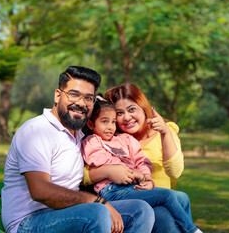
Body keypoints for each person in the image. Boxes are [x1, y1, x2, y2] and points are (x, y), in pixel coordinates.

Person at [1, 66, 154, 233]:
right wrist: (98, 201)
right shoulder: (36, 131)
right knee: (97, 212)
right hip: (28, 221)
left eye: (88, 98)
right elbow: (40, 191)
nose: (81, 103)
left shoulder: (79, 136)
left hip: (68, 213)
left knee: (141, 210)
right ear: (58, 96)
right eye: (74, 95)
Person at [82, 96, 202, 233]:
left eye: (113, 122)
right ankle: (192, 230)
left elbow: (141, 160)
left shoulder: (124, 139)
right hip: (113, 191)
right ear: (91, 124)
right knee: (166, 201)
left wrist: (145, 176)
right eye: (104, 121)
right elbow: (101, 161)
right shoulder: (93, 141)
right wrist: (132, 173)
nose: (110, 127)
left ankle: (189, 229)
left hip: (133, 187)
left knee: (183, 197)